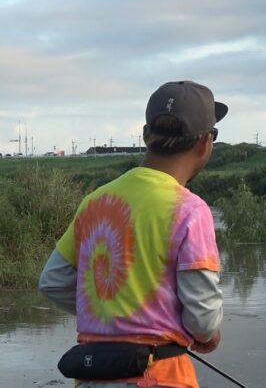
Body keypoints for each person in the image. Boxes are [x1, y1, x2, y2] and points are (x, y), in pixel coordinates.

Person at [39, 80, 226, 388]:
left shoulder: (95, 201)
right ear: (206, 142)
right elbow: (202, 318)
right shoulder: (190, 209)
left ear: (145, 135)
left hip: (92, 375)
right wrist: (209, 334)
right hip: (161, 378)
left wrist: (111, 318)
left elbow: (53, 281)